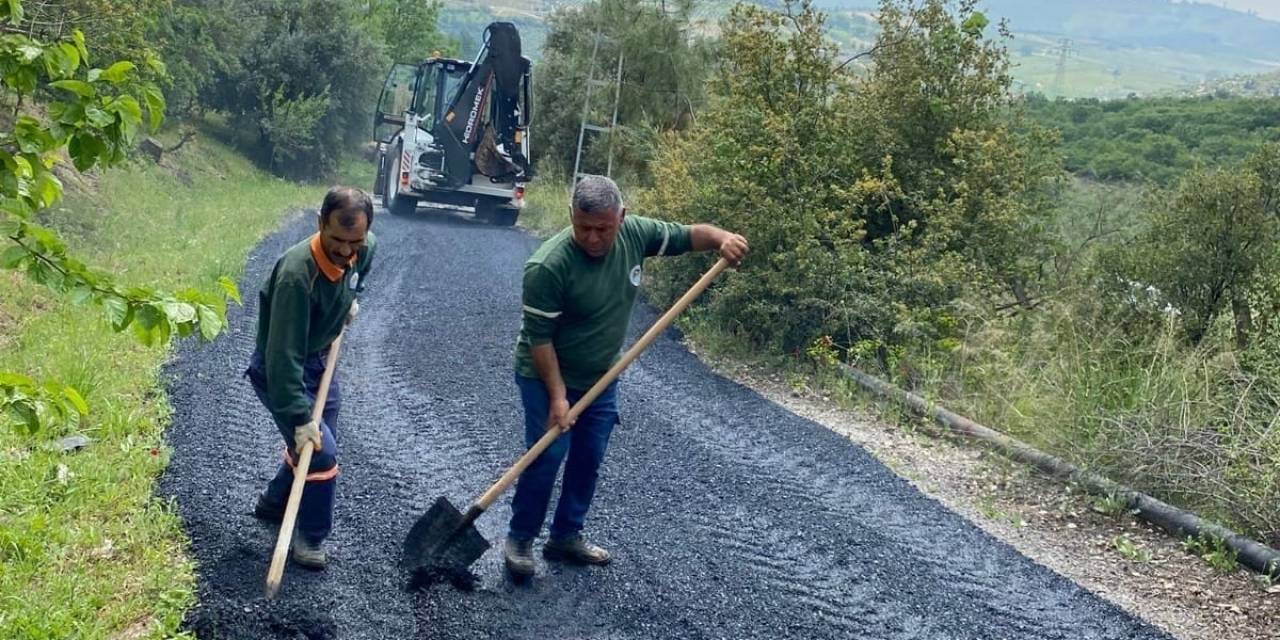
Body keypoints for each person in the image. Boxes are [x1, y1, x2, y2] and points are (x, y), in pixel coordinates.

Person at [503, 174, 748, 577]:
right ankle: (520, 539)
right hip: (545, 373)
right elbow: (539, 339)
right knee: (547, 455)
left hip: (602, 373)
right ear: (571, 218)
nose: (594, 238)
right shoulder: (547, 266)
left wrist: (722, 239)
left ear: (622, 217)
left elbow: (690, 236)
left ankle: (565, 536)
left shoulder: (637, 234)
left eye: (603, 228)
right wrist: (559, 397)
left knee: (588, 456)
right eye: (584, 228)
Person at [246, 186, 376, 569]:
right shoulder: (295, 277)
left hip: (321, 362)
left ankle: (273, 502)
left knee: (315, 446)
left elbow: (359, 266)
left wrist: (348, 300)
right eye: (337, 240)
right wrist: (301, 418)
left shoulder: (361, 247)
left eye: (356, 241)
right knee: (320, 452)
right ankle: (310, 539)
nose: (347, 251)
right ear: (320, 224)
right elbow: (282, 357)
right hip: (281, 370)